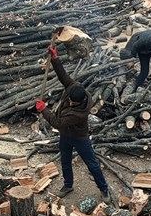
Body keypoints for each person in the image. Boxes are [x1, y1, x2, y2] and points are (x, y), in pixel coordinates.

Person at [35, 44, 110, 201]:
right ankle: (68, 185)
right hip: (65, 135)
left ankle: (104, 189)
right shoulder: (75, 88)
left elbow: (57, 122)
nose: (68, 102)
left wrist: (44, 110)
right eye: (69, 99)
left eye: (72, 102)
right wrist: (55, 59)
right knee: (65, 161)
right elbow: (63, 76)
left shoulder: (79, 113)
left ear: (79, 102)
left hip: (79, 137)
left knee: (92, 164)